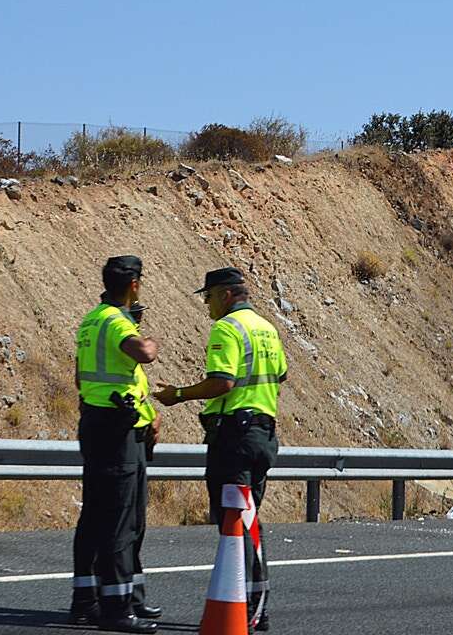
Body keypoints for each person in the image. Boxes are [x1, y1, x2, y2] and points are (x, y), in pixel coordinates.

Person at [155, 267, 287, 632]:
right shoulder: (267, 329)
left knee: (233, 522)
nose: (206, 305)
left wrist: (177, 395)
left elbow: (223, 381)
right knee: (247, 520)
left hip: (234, 437)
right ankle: (256, 607)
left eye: (209, 296)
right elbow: (280, 375)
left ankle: (243, 610)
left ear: (226, 295)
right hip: (262, 433)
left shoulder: (227, 328)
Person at [70, 256, 162, 633]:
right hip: (116, 430)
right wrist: (148, 338)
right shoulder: (116, 322)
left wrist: (149, 413)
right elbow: (145, 355)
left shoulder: (91, 320)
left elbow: (83, 377)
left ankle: (87, 601)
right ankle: (117, 608)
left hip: (100, 422)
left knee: (96, 514)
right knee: (120, 520)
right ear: (135, 285)